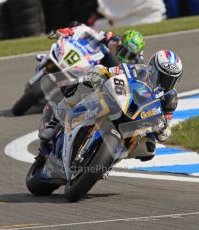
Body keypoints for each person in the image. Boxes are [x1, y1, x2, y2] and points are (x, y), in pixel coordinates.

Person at [37, 50, 183, 161]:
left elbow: (165, 123)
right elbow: (112, 71)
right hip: (120, 103)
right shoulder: (139, 70)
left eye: (171, 79)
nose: (166, 82)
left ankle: (106, 161)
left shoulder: (169, 97)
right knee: (86, 85)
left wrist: (164, 128)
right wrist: (100, 73)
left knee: (149, 148)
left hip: (137, 122)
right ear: (152, 68)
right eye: (163, 76)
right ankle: (54, 123)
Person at [35, 23, 145, 73]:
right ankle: (48, 58)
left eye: (129, 55)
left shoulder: (138, 62)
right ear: (120, 44)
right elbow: (92, 31)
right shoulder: (112, 41)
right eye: (124, 51)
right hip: (85, 60)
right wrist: (69, 31)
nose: (124, 56)